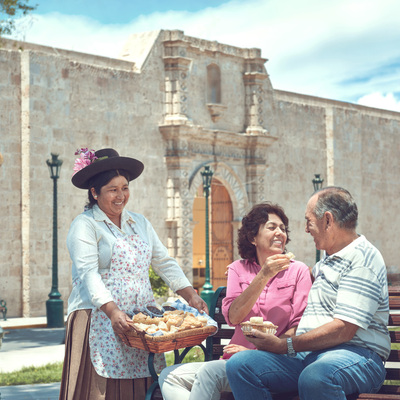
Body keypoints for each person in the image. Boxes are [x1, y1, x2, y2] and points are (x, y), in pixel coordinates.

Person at [59, 148, 208, 400]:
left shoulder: (139, 223)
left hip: (140, 321)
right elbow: (88, 273)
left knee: (141, 383)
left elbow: (164, 262)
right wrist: (112, 310)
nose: (121, 196)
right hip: (100, 317)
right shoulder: (85, 225)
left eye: (125, 188)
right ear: (94, 193)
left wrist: (189, 294)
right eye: (113, 189)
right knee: (101, 387)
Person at [226, 187, 391, 400]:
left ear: (328, 220)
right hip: (311, 356)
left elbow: (344, 330)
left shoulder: (362, 259)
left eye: (309, 221)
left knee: (316, 376)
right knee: (241, 365)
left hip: (357, 356)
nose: (305, 229)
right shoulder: (325, 262)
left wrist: (284, 345)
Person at [158, 202, 312, 400]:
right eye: (272, 227)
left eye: (283, 228)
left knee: (209, 373)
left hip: (278, 362)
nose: (280, 233)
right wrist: (263, 275)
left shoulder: (298, 271)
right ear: (253, 237)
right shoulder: (237, 269)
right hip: (234, 361)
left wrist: (254, 351)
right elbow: (234, 316)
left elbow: (299, 327)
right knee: (169, 376)